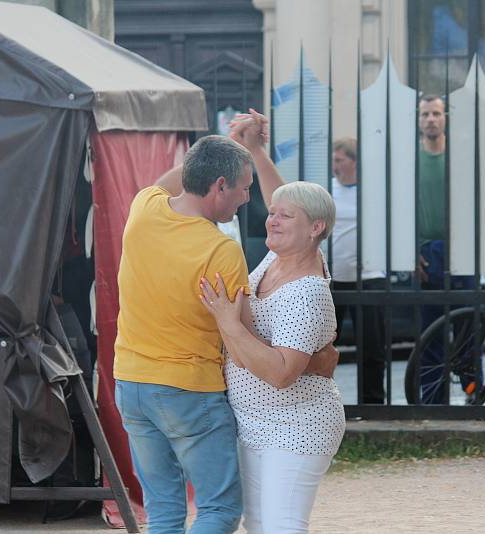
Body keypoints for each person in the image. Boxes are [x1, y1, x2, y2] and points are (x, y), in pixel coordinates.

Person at [113, 134, 338, 534]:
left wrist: (225, 149)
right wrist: (315, 359)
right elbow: (248, 345)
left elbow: (180, 181)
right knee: (217, 511)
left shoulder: (143, 209)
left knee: (163, 511)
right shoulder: (220, 251)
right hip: (187, 392)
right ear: (219, 185)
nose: (247, 200)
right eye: (242, 188)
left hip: (131, 384)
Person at [200, 110, 345, 534]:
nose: (271, 219)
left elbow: (281, 373)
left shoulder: (308, 291)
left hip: (296, 426)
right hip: (253, 423)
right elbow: (281, 196)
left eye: (285, 217)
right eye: (272, 213)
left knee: (282, 528)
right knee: (260, 527)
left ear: (316, 228)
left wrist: (229, 325)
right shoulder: (278, 257)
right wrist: (255, 149)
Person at [416, 94, 475, 404]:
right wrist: (410, 251)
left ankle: (472, 391)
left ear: (445, 118)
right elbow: (402, 207)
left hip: (463, 248)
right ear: (418, 119)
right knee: (431, 332)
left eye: (436, 113)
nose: (430, 119)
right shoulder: (412, 159)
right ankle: (434, 400)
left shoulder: (461, 157)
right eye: (425, 114)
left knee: (468, 327)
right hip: (427, 251)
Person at [331, 138, 387, 404]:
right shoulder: (328, 190)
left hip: (370, 276)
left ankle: (373, 403)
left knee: (372, 347)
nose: (335, 165)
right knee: (326, 345)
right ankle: (322, 403)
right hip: (335, 278)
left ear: (354, 162)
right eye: (334, 160)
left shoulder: (372, 191)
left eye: (340, 160)